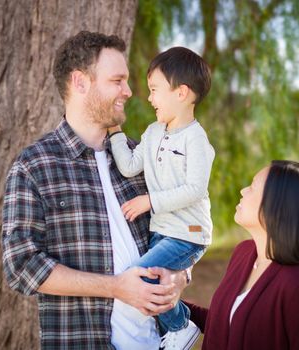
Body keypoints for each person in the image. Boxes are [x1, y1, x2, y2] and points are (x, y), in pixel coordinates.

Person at [2, 31, 189, 349]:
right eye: (117, 80)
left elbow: (183, 228)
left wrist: (180, 276)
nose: (129, 91)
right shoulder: (34, 166)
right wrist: (116, 287)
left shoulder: (142, 157)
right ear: (80, 82)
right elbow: (21, 266)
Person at [107, 46, 214, 349]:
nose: (150, 98)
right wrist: (114, 132)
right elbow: (128, 166)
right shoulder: (154, 132)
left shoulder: (196, 139)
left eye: (155, 90)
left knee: (137, 277)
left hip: (188, 234)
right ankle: (175, 326)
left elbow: (194, 189)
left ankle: (181, 325)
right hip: (163, 232)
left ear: (181, 93)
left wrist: (150, 201)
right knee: (155, 281)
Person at [185, 160, 299, 350]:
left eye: (253, 186)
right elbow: (229, 323)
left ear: (277, 205)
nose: (243, 191)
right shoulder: (244, 253)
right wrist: (172, 306)